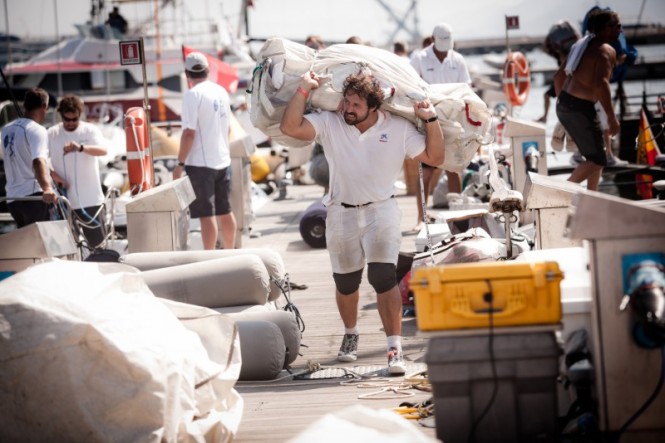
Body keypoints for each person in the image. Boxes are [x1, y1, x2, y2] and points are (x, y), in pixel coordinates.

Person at [280, 72, 444, 374]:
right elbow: (289, 127)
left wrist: (431, 119)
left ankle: (394, 348)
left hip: (381, 211)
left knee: (383, 277)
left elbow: (434, 156)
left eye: (355, 104)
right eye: (346, 101)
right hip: (341, 212)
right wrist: (304, 88)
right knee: (346, 283)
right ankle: (351, 333)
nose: (347, 108)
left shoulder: (397, 128)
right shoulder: (331, 123)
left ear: (373, 106)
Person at [410, 22, 471, 228]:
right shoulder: (418, 58)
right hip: (428, 119)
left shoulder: (458, 59)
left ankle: (458, 216)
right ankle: (421, 217)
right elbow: (411, 86)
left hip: (454, 121)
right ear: (433, 39)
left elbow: (466, 90)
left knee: (454, 169)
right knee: (425, 172)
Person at [173, 51, 237, 250]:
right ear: (207, 70)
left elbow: (188, 134)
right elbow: (228, 128)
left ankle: (208, 257)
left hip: (201, 165)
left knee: (206, 215)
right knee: (226, 211)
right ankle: (230, 252)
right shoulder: (221, 91)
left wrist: (179, 164)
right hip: (222, 160)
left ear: (187, 73)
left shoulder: (193, 95)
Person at [554, 9, 622, 191]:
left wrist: (564, 106)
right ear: (605, 29)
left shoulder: (581, 46)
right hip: (579, 108)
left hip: (566, 104)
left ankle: (593, 197)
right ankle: (556, 193)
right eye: (617, 26)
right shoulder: (606, 50)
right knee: (598, 159)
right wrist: (611, 117)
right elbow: (602, 83)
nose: (620, 31)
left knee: (594, 157)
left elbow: (558, 77)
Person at [48, 95, 108, 249]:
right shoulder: (52, 133)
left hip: (91, 201)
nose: (71, 123)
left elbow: (103, 150)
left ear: (79, 115)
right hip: (63, 203)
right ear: (61, 116)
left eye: (74, 119)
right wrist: (56, 177)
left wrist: (80, 148)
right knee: (67, 248)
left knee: (98, 247)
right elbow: (40, 161)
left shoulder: (89, 130)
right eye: (67, 119)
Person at [1, 87, 57, 228]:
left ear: (24, 105)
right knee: (44, 244)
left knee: (29, 244)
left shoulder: (6, 130)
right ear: (44, 107)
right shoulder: (38, 130)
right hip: (34, 197)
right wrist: (47, 188)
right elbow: (39, 160)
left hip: (13, 199)